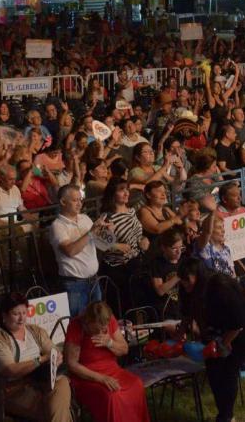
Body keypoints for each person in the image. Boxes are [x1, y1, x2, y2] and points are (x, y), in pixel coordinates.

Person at [176, 259, 245, 422]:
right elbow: (186, 312)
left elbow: (238, 322)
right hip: (218, 329)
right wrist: (180, 332)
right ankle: (224, 413)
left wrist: (222, 343)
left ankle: (226, 416)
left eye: (187, 279)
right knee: (213, 368)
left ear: (198, 275)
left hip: (242, 329)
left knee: (228, 368)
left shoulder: (219, 287)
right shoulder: (187, 289)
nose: (185, 283)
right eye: (182, 280)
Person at [0, 292, 71, 422]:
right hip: (13, 389)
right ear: (4, 315)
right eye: (16, 314)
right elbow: (10, 370)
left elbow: (53, 351)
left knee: (62, 383)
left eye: (24, 313)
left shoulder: (34, 331)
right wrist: (40, 360)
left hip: (39, 382)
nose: (21, 318)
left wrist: (56, 358)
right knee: (56, 408)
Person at [64, 301, 150, 422]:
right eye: (96, 329)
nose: (100, 332)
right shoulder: (76, 325)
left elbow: (124, 349)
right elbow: (72, 364)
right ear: (88, 322)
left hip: (112, 369)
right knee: (112, 396)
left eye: (103, 329)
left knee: (137, 384)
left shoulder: (108, 320)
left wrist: (110, 343)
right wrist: (101, 378)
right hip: (86, 376)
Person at [49, 184, 109, 316]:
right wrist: (91, 232)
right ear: (63, 202)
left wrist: (109, 231)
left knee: (98, 321)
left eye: (80, 200)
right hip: (74, 285)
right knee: (78, 323)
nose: (79, 204)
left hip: (94, 280)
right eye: (75, 200)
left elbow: (104, 244)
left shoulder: (85, 219)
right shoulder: (57, 226)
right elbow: (70, 251)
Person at [99, 178, 149, 311]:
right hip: (117, 269)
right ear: (112, 193)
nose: (126, 193)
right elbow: (99, 242)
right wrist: (116, 246)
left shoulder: (131, 211)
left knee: (138, 304)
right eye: (122, 190)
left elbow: (137, 234)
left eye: (127, 189)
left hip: (134, 263)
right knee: (123, 307)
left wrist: (143, 239)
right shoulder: (107, 216)